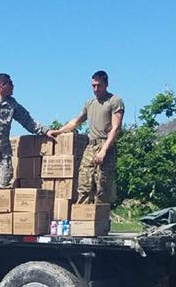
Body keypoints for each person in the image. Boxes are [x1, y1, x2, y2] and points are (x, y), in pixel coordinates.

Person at [51, 70, 124, 204]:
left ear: (106, 84)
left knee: (102, 185)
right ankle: (83, 218)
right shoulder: (90, 103)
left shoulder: (114, 101)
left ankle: (100, 220)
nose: (96, 89)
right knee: (84, 183)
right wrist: (59, 131)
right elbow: (77, 120)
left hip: (105, 145)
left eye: (99, 85)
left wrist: (104, 150)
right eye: (93, 86)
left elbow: (116, 128)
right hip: (90, 146)